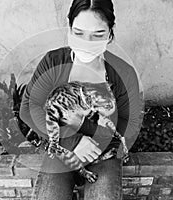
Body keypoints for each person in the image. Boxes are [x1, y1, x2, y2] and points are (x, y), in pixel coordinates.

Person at [19, 0, 144, 199]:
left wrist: (96, 145)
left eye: (98, 34)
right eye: (79, 33)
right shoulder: (53, 63)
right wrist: (73, 142)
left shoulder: (123, 74)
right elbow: (28, 107)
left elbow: (131, 122)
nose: (87, 42)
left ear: (110, 34)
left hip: (103, 154)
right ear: (69, 30)